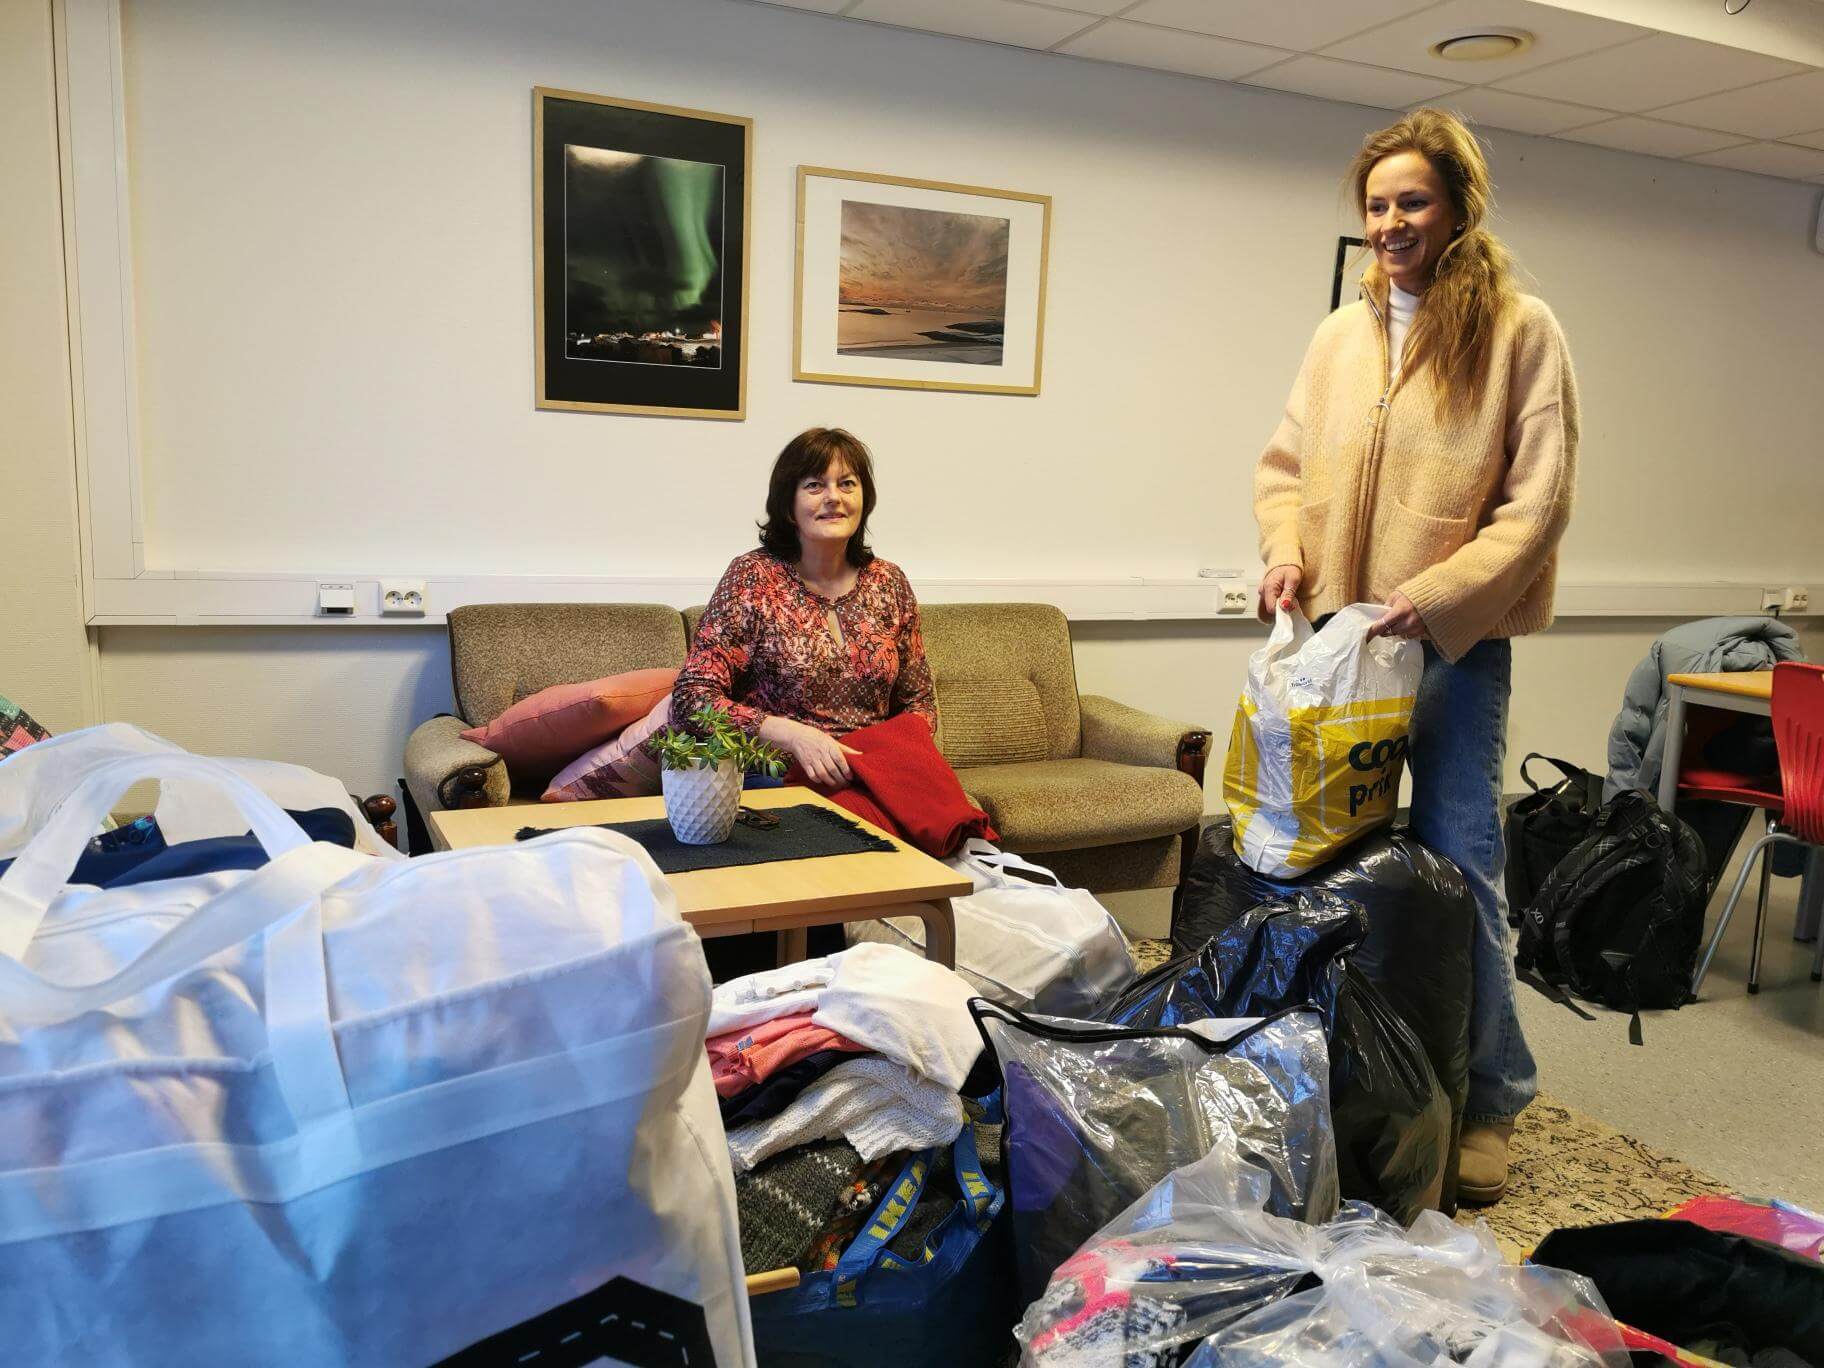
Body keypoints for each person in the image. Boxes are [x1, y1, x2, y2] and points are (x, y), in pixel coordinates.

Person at [1252, 108, 1579, 1204]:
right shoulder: (1337, 337)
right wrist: (1286, 555)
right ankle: (1356, 1066)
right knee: (1328, 855)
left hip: (1449, 642)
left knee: (1458, 860)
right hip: (1337, 642)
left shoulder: (1520, 330)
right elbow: (1285, 468)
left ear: (1458, 209)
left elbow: (1535, 503)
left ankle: (1491, 1095)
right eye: (1377, 204)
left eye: (1413, 202)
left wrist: (1433, 598)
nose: (1391, 222)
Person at [674, 427, 938, 790]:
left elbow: (919, 704)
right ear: (788, 505)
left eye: (847, 484)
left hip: (871, 773)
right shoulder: (753, 577)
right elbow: (692, 699)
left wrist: (885, 757)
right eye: (815, 485)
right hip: (776, 773)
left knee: (950, 818)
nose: (834, 497)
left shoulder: (889, 582)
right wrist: (793, 736)